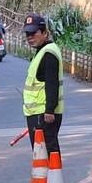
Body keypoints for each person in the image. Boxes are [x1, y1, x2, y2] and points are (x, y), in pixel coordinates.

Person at [22, 14, 63, 154]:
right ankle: (45, 176)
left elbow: (52, 83)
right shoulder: (41, 51)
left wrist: (49, 110)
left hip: (44, 114)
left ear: (45, 33)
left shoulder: (48, 53)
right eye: (27, 34)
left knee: (47, 152)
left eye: (33, 33)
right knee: (41, 154)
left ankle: (51, 176)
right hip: (37, 113)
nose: (29, 37)